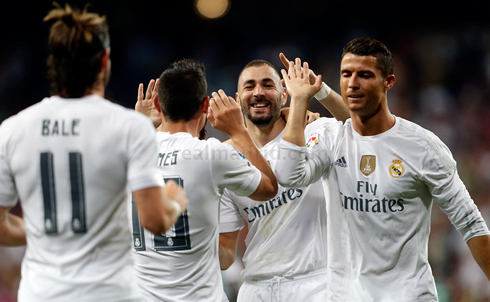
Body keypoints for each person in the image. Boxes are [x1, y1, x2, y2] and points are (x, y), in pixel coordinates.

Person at [275, 37, 490, 301]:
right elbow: (288, 175)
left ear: (388, 82)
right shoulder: (330, 137)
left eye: (364, 75)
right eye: (346, 74)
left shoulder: (422, 147)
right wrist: (301, 98)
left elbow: (471, 224)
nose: (353, 83)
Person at [0, 3, 188, 302]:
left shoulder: (12, 130)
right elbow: (154, 220)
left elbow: (1, 225)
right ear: (104, 60)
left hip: (42, 293)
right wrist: (175, 203)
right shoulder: (129, 126)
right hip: (110, 293)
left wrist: (46, 229)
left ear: (54, 62)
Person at [132, 58, 278, 302]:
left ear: (158, 104)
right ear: (205, 105)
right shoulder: (212, 154)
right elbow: (269, 188)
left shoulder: (129, 152)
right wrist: (239, 132)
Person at [218, 58, 349, 302]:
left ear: (284, 95)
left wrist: (319, 90)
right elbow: (225, 256)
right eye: (249, 86)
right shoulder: (225, 160)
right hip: (256, 288)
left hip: (316, 284)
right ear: (238, 99)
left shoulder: (313, 131)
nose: (258, 92)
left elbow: (358, 126)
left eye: (268, 85)